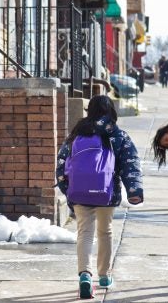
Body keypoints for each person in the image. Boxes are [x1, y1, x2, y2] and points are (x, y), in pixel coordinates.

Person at [55, 95, 144, 299]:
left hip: (79, 192)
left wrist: (67, 188)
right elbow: (130, 164)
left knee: (84, 233)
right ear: (111, 111)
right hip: (107, 193)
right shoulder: (118, 135)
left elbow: (62, 162)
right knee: (105, 231)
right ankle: (104, 276)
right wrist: (134, 190)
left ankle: (85, 275)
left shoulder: (77, 133)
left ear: (90, 111)